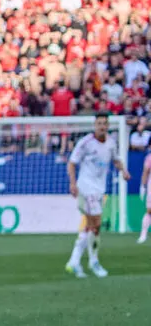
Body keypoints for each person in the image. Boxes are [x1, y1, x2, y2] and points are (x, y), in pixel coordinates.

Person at [65, 113, 128, 275]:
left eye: (104, 124)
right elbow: (72, 163)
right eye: (99, 123)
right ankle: (93, 262)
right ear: (95, 125)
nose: (102, 126)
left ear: (107, 126)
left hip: (99, 189)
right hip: (85, 188)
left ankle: (74, 260)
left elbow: (116, 160)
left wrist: (124, 171)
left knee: (91, 226)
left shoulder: (111, 143)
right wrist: (72, 184)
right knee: (97, 223)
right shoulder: (86, 142)